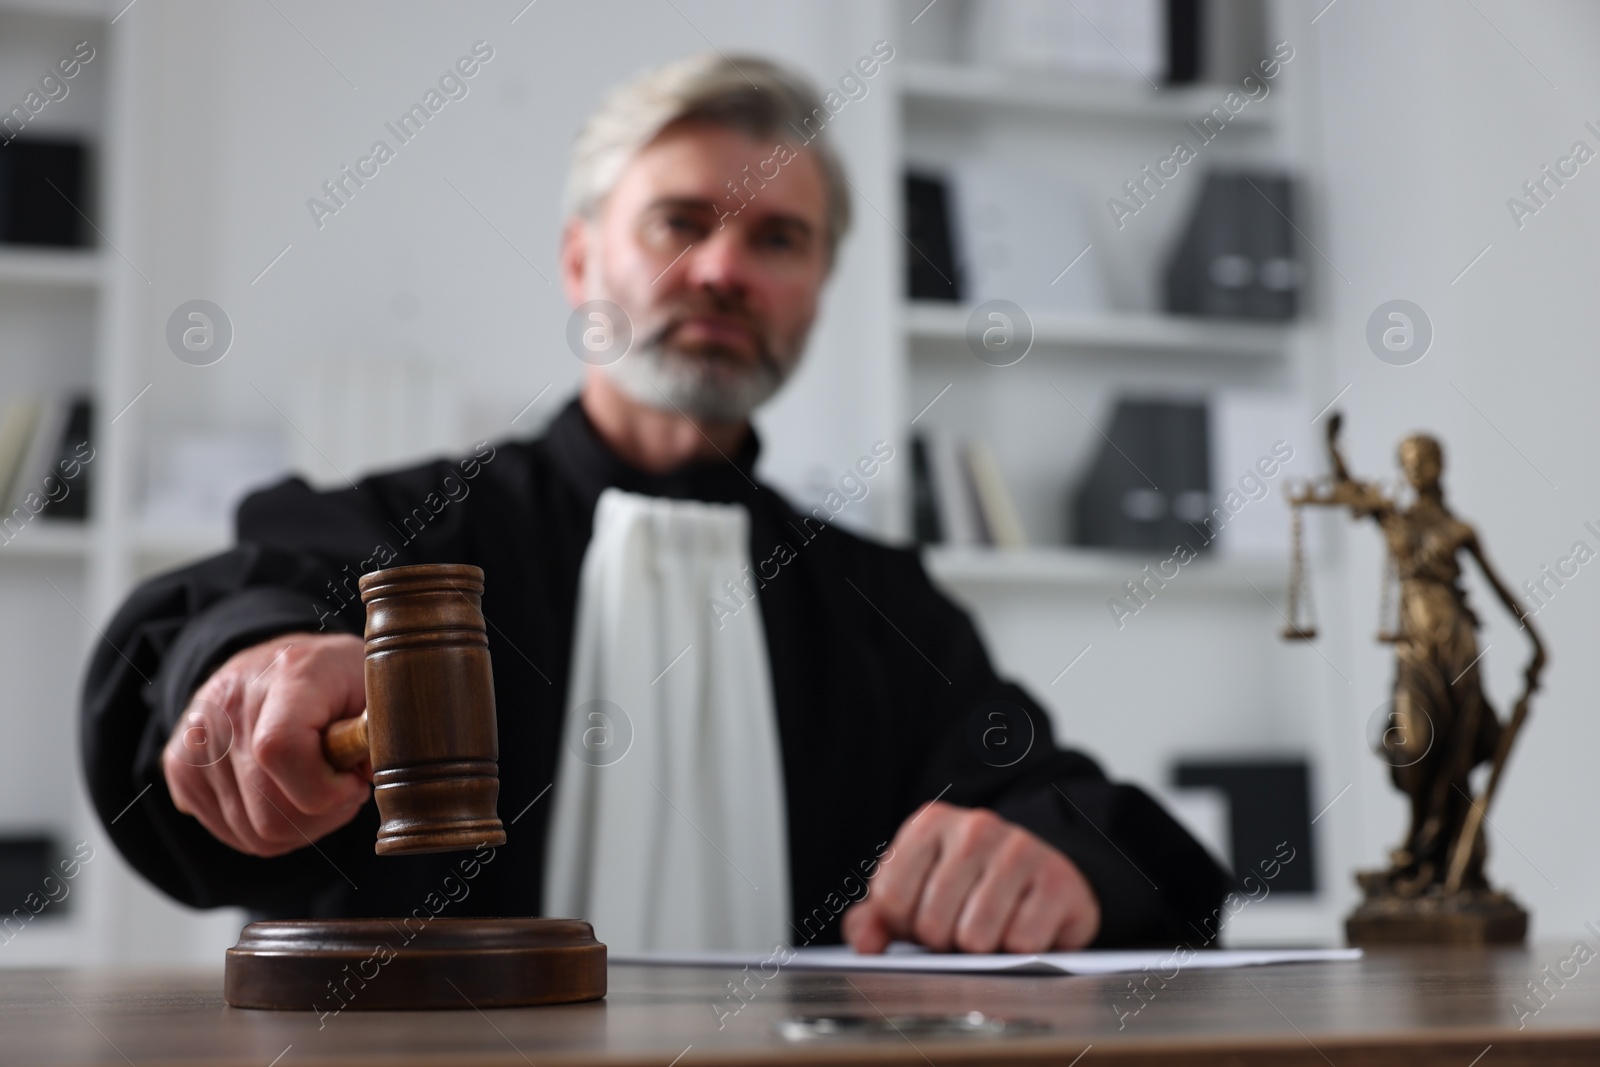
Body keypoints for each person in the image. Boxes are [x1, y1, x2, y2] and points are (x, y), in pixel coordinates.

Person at [81, 52, 1227, 955]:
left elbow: (1101, 829)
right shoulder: (401, 534)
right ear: (582, 263)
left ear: (815, 297)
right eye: (681, 221)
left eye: (777, 237)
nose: (724, 269)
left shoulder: (889, 610)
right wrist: (244, 672)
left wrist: (1051, 860)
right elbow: (192, 654)